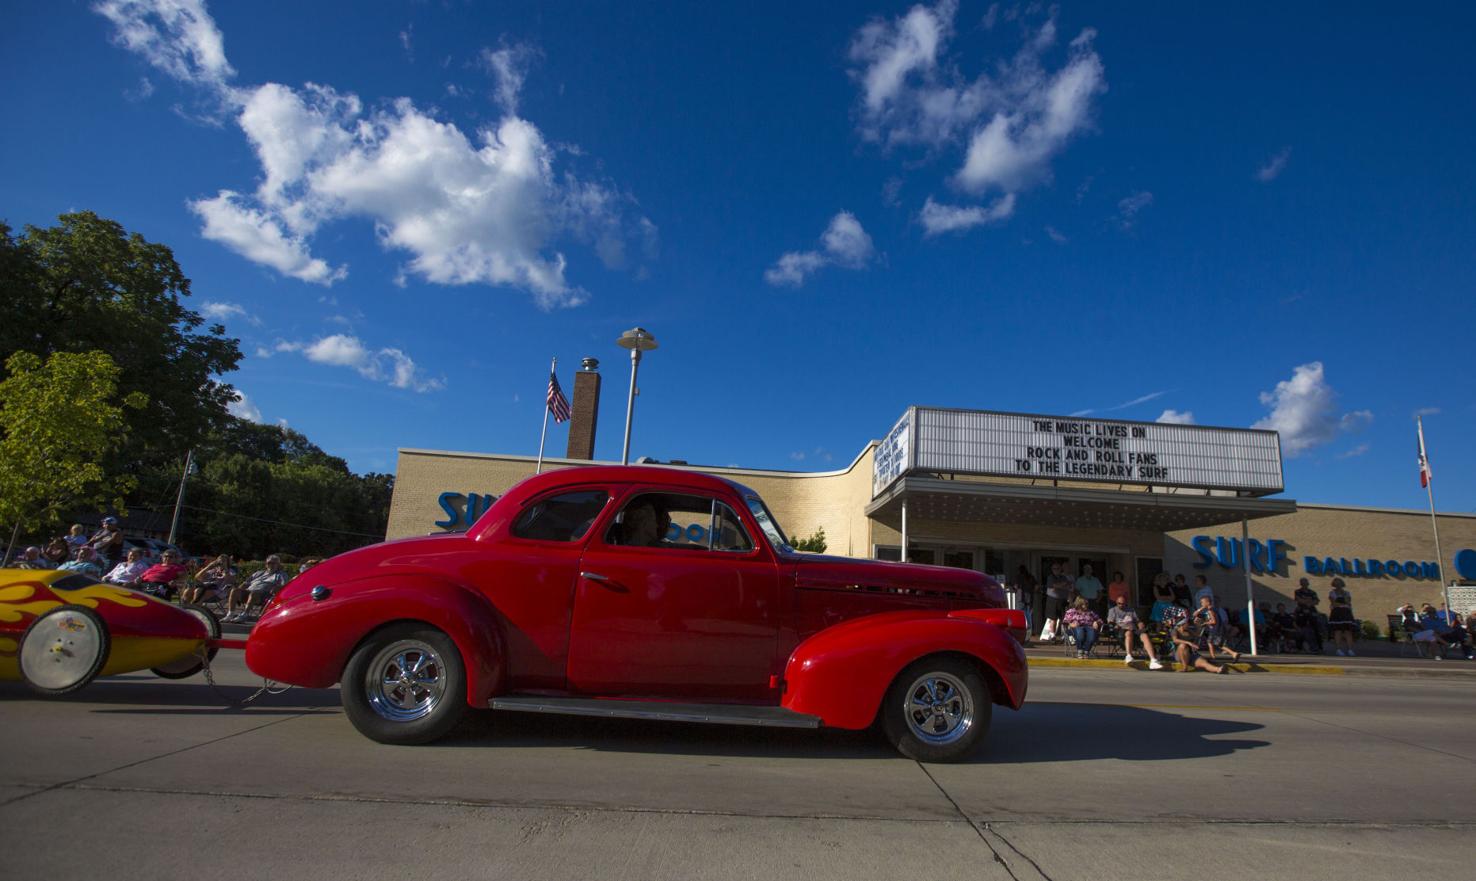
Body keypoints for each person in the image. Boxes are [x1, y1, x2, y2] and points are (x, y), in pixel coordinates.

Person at [223, 555, 291, 622]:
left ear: (278, 565)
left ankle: (245, 614)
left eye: (273, 563)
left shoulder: (281, 574)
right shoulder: (258, 573)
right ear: (266, 565)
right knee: (235, 590)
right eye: (269, 563)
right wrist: (238, 590)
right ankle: (230, 614)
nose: (271, 565)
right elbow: (246, 583)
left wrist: (277, 588)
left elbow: (284, 585)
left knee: (253, 593)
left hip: (264, 596)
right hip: (248, 593)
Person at [1107, 593, 1165, 669]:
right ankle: (1129, 656)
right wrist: (1115, 625)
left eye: (1123, 603)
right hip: (1121, 631)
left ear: (1126, 603)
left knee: (1144, 635)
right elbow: (1110, 622)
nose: (1121, 605)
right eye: (1119, 603)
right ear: (1116, 602)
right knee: (1128, 632)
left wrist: (1140, 623)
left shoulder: (1131, 610)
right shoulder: (1113, 610)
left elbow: (1137, 620)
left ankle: (1153, 660)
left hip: (1134, 629)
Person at [1167, 606, 1227, 673]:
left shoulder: (1189, 630)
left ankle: (1218, 669)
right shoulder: (1174, 630)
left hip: (1191, 655)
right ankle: (1185, 667)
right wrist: (1189, 643)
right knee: (1183, 645)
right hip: (1180, 654)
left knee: (1204, 663)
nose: (1188, 624)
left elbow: (1198, 635)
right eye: (1187, 622)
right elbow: (1175, 640)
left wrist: (1198, 625)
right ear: (1182, 624)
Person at [1194, 594, 1242, 662]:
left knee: (1213, 643)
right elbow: (1195, 614)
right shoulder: (1211, 610)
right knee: (1215, 643)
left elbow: (1213, 621)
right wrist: (1201, 608)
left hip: (1215, 630)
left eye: (1202, 602)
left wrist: (1205, 623)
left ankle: (1215, 657)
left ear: (1207, 603)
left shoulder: (1210, 610)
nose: (1201, 603)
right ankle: (1232, 654)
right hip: (1216, 630)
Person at [1042, 561, 1073, 642]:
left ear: (1060, 569)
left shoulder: (1063, 577)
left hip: (1062, 600)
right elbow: (1054, 586)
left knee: (1064, 618)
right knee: (1053, 618)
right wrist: (1062, 585)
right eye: (1054, 569)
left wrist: (1061, 585)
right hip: (1052, 599)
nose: (1056, 570)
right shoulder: (1050, 577)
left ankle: (1064, 635)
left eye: (1058, 568)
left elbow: (1069, 586)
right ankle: (1052, 635)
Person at [1327, 579, 1357, 656]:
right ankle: (1338, 649)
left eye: (1339, 583)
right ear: (1334, 584)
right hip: (1337, 612)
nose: (1338, 585)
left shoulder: (1347, 592)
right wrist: (1342, 602)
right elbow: (1334, 603)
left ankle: (1350, 649)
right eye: (1336, 583)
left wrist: (1342, 598)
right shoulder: (1332, 593)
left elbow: (1348, 602)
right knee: (1338, 631)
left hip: (1346, 612)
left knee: (1348, 631)